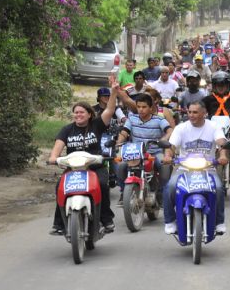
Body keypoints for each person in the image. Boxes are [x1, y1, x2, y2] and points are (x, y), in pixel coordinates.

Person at [47, 80, 120, 234]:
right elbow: (56, 149)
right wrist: (54, 158)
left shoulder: (97, 125)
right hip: (73, 169)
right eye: (76, 112)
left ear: (89, 114)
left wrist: (114, 91)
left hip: (95, 168)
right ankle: (59, 223)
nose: (78, 115)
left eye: (81, 112)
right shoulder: (66, 130)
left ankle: (106, 219)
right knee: (60, 186)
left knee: (102, 185)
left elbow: (110, 109)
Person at [162, 101, 229, 235]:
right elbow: (171, 147)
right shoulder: (181, 128)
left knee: (219, 188)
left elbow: (222, 143)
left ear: (204, 113)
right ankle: (170, 221)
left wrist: (222, 155)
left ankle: (219, 221)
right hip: (184, 168)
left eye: (195, 112)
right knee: (170, 187)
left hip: (208, 168)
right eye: (189, 112)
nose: (191, 115)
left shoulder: (214, 126)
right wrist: (168, 156)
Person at [114, 93, 173, 202]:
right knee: (120, 165)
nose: (141, 110)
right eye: (139, 107)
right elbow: (124, 132)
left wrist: (164, 139)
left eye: (144, 107)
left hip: (155, 152)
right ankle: (124, 191)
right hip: (135, 152)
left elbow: (170, 130)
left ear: (151, 108)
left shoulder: (159, 120)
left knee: (163, 164)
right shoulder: (132, 119)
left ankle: (161, 193)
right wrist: (118, 142)